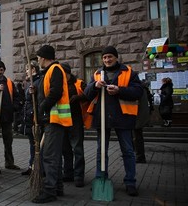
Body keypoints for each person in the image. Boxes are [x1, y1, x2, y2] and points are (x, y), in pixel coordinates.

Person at [84, 46, 143, 197]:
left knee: (128, 151)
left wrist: (120, 90)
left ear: (116, 57)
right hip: (102, 117)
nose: (107, 60)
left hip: (123, 117)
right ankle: (100, 178)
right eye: (104, 57)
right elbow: (87, 94)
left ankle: (130, 182)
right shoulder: (97, 74)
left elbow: (138, 92)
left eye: (110, 57)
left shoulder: (128, 72)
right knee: (100, 151)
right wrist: (95, 86)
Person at [32, 45, 71, 203]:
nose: (38, 60)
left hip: (55, 120)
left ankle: (49, 191)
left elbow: (55, 92)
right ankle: (58, 187)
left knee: (49, 156)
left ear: (44, 57)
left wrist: (42, 107)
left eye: (38, 57)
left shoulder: (55, 69)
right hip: (52, 119)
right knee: (54, 155)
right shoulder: (48, 72)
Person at [60, 62, 89, 188]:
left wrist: (79, 97)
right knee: (65, 148)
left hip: (76, 120)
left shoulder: (79, 83)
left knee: (77, 148)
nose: (63, 75)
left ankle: (79, 176)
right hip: (63, 119)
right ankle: (68, 173)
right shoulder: (59, 84)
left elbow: (89, 94)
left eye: (64, 73)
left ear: (68, 72)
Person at [20, 60, 41, 176]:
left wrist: (35, 92)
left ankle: (36, 166)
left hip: (35, 117)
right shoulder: (28, 82)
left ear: (33, 70)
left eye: (27, 69)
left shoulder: (38, 81)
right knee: (31, 143)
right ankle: (31, 164)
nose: (26, 71)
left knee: (36, 143)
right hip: (28, 116)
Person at [133, 80, 152, 164]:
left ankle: (140, 157)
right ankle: (138, 156)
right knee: (136, 138)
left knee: (137, 138)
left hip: (137, 117)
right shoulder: (141, 88)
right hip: (137, 117)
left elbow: (140, 105)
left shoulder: (138, 88)